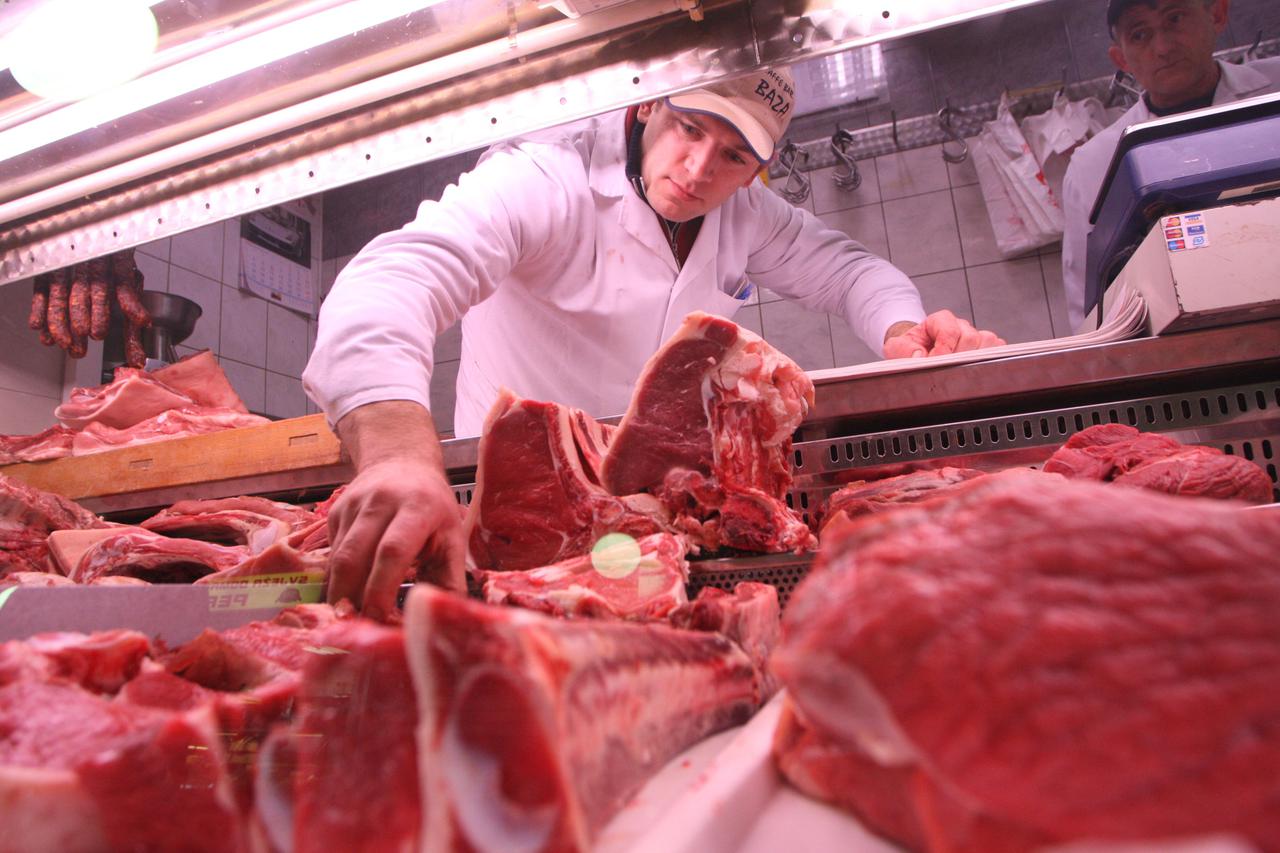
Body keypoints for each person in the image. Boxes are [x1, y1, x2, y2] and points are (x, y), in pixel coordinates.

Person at [303, 66, 1006, 618]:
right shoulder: (547, 175)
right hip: (520, 510)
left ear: (757, 168)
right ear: (647, 105)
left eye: (733, 155)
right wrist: (398, 457)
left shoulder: (746, 212)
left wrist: (904, 331)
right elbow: (393, 280)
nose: (699, 170)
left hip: (651, 513)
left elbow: (853, 273)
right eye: (689, 128)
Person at [1061, 0, 1280, 331]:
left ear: (1217, 14)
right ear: (1122, 59)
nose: (1162, 47)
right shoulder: (1094, 163)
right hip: (1189, 344)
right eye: (1140, 35)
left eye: (1175, 18)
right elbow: (1089, 315)